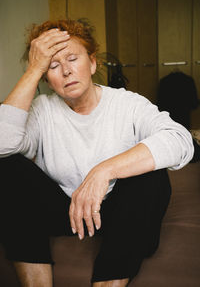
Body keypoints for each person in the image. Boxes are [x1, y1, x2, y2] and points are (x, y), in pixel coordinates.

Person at [0, 19, 194, 287]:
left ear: (92, 63)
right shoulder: (42, 109)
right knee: (7, 167)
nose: (66, 71)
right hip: (64, 212)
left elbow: (181, 140)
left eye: (72, 59)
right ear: (46, 77)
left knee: (152, 176)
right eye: (53, 66)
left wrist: (104, 171)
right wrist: (34, 69)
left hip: (118, 214)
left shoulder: (127, 103)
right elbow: (3, 145)